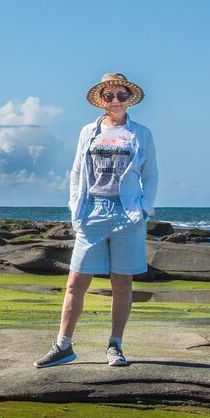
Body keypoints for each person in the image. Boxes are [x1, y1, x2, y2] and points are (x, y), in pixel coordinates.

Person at [35, 72, 158, 368]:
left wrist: (144, 209)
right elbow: (76, 171)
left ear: (130, 99)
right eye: (109, 96)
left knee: (122, 284)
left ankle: (115, 346)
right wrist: (75, 208)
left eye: (121, 95)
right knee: (76, 283)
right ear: (101, 101)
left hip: (127, 213)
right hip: (93, 211)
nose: (115, 101)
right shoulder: (88, 132)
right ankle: (63, 346)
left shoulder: (141, 134)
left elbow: (151, 175)